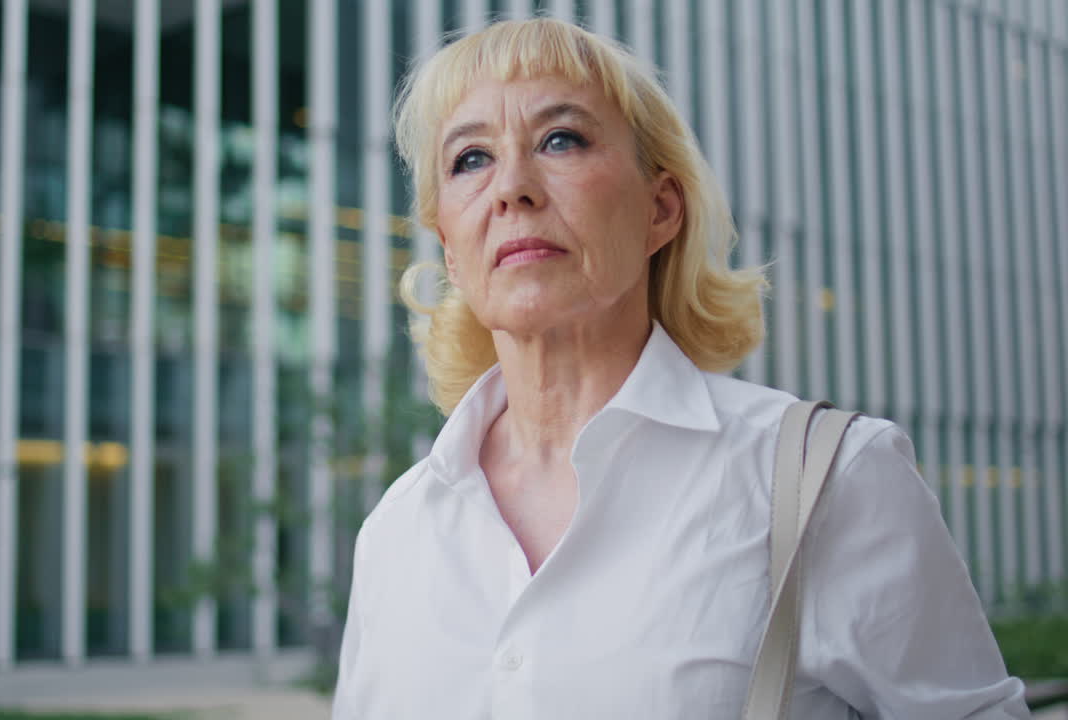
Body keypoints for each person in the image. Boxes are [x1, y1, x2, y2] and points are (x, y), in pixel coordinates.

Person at [331, 17, 1029, 719]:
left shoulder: (827, 479)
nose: (512, 187)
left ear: (660, 209)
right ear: (451, 250)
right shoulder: (398, 530)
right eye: (470, 160)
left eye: (560, 139)